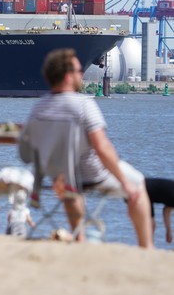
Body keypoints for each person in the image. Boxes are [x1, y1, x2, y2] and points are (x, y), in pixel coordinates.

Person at [21, 48, 153, 248]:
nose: (81, 74)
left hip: (61, 178)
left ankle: (79, 239)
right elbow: (102, 148)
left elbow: (25, 152)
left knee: (68, 180)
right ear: (67, 77)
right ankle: (146, 247)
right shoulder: (83, 104)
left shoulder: (39, 106)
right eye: (77, 70)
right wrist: (124, 182)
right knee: (139, 183)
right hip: (93, 175)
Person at [144, 177, 174, 244]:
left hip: (143, 189)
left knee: (152, 224)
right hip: (141, 190)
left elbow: (167, 210)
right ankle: (147, 246)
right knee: (151, 224)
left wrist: (168, 231)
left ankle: (147, 245)